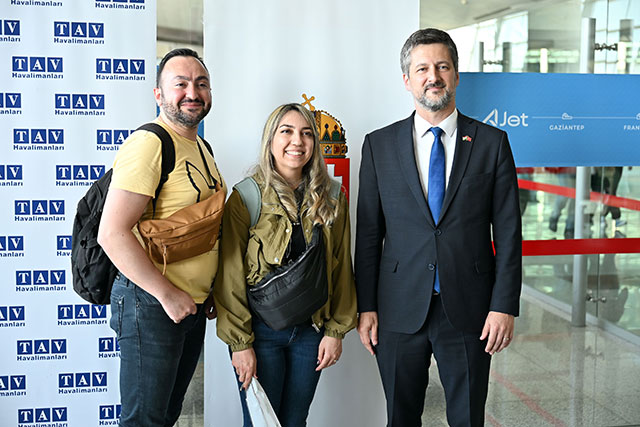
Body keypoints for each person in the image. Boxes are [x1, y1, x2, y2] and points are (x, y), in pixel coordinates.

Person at [355, 28, 522, 427]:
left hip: (470, 309)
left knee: (467, 418)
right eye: (423, 68)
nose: (433, 76)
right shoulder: (379, 145)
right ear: (407, 79)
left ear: (456, 75)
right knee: (401, 417)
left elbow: (509, 233)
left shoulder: (491, 143)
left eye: (443, 67)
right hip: (398, 309)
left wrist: (503, 306)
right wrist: (367, 306)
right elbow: (368, 235)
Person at [97, 48, 224, 426]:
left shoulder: (201, 147)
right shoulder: (150, 143)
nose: (192, 93)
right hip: (152, 303)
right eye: (180, 84)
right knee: (145, 421)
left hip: (190, 304)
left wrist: (206, 290)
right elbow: (112, 233)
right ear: (158, 94)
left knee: (166, 416)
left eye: (201, 84)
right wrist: (167, 294)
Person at [214, 103, 357, 427]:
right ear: (271, 140)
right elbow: (229, 276)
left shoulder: (333, 196)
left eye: (307, 134)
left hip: (312, 332)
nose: (297, 141)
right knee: (262, 423)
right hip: (260, 333)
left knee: (295, 421)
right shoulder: (246, 197)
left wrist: (336, 331)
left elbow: (340, 268)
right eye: (287, 131)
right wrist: (240, 344)